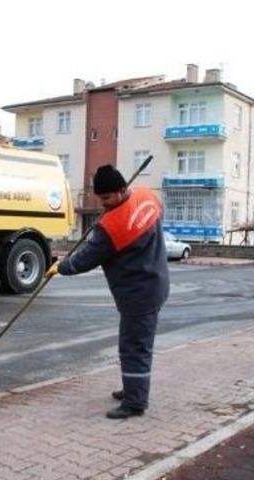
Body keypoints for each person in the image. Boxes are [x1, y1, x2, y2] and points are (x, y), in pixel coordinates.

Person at [46, 165, 169, 419]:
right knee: (136, 343)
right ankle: (133, 388)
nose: (102, 204)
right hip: (156, 282)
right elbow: (153, 215)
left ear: (122, 190)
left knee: (134, 347)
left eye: (106, 199)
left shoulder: (111, 226)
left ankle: (135, 402)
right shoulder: (147, 197)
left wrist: (61, 266)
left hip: (138, 293)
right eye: (99, 199)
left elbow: (85, 259)